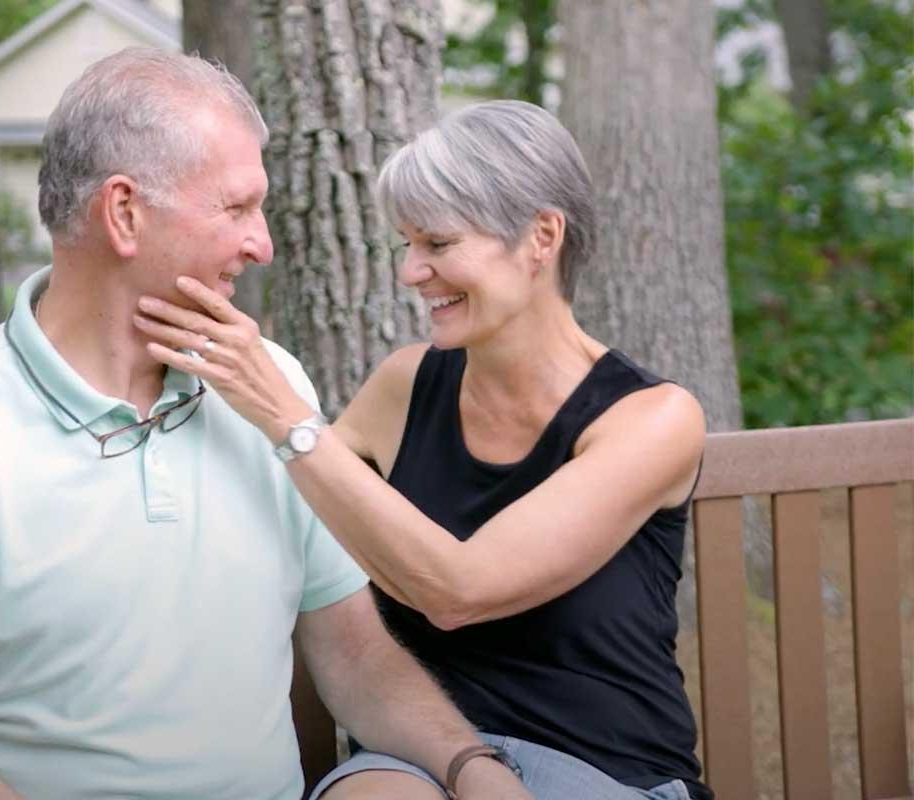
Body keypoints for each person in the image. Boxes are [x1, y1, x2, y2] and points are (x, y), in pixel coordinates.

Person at [0, 50, 532, 800]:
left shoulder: (269, 386)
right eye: (236, 208)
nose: (261, 244)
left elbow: (358, 656)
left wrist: (472, 768)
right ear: (124, 213)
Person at [135, 99, 714, 800]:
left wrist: (284, 413)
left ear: (541, 237)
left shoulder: (651, 421)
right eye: (406, 245)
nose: (411, 271)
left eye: (437, 245)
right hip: (420, 759)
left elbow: (459, 591)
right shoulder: (405, 386)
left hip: (605, 772)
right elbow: (283, 493)